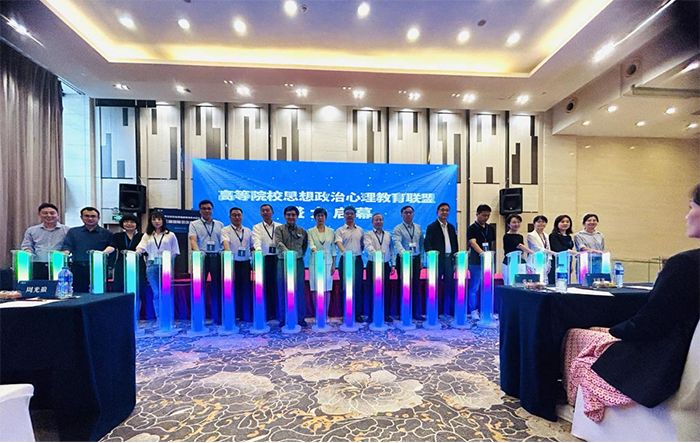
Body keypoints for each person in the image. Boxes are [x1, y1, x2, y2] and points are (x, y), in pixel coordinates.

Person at [562, 183, 700, 424]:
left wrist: (616, 330)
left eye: (691, 207)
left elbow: (649, 324)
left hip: (664, 364)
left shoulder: (685, 265)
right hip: (684, 351)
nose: (686, 216)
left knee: (575, 335)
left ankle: (579, 410)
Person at [135, 211, 180, 322]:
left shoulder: (170, 235)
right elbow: (141, 247)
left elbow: (175, 251)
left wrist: (169, 263)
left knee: (166, 292)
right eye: (154, 219)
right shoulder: (147, 235)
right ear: (150, 221)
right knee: (156, 293)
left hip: (166, 265)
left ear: (163, 221)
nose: (157, 221)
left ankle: (168, 318)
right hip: (151, 264)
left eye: (159, 219)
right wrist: (136, 252)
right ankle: (159, 318)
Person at [189, 200, 224, 323]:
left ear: (212, 210)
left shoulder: (219, 224)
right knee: (198, 288)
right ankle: (198, 317)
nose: (206, 211)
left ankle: (217, 317)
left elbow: (223, 242)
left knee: (217, 288)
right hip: (201, 258)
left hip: (216, 257)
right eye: (203, 208)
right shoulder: (194, 224)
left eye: (209, 208)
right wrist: (198, 254)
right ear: (200, 211)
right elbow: (193, 240)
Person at [61, 207, 112, 292]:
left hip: (98, 268)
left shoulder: (106, 233)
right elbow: (67, 245)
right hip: (78, 267)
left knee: (99, 292)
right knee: (78, 291)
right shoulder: (73, 232)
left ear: (98, 218)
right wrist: (64, 253)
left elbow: (111, 249)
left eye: (93, 216)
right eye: (87, 216)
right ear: (81, 217)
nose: (90, 218)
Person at [274, 206, 308, 327]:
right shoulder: (279, 229)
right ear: (285, 216)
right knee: (282, 288)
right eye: (288, 215)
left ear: (297, 216)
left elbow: (304, 246)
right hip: (283, 261)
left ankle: (300, 318)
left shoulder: (302, 231)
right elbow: (278, 242)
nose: (291, 217)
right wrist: (288, 253)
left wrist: (296, 255)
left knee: (299, 289)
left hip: (298, 262)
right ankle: (284, 318)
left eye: (293, 215)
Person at [424, 202, 459, 317]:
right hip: (437, 260)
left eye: (447, 210)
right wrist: (432, 258)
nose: (445, 212)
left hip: (449, 260)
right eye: (442, 210)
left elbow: (455, 244)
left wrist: (455, 260)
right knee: (435, 286)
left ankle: (450, 310)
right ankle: (435, 310)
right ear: (437, 212)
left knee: (450, 286)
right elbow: (427, 244)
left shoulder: (451, 227)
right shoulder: (432, 227)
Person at [392, 205, 425, 321]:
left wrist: (421, 260)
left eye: (410, 212)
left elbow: (421, 244)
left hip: (416, 259)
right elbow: (397, 243)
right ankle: (402, 312)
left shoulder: (418, 228)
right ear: (401, 215)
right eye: (406, 212)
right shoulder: (398, 229)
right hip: (404, 259)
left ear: (413, 214)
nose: (408, 214)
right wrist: (405, 254)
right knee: (403, 286)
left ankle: (416, 313)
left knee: (416, 286)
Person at [20, 203, 70, 280]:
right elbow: (27, 245)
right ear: (39, 214)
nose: (49, 215)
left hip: (59, 265)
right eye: (45, 213)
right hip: (37, 264)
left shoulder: (67, 230)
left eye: (52, 213)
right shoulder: (31, 230)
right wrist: (28, 252)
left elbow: (70, 246)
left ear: (57, 214)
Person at [221, 207, 254, 322]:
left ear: (242, 217)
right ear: (230, 217)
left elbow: (252, 247)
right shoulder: (226, 230)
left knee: (246, 289)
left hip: (245, 263)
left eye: (239, 215)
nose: (237, 217)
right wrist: (228, 253)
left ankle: (246, 314)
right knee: (233, 289)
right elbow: (225, 243)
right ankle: (233, 314)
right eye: (234, 215)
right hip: (232, 263)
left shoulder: (248, 231)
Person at [252, 204, 282, 321]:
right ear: (260, 213)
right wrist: (259, 251)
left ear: (272, 212)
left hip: (278, 258)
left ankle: (279, 313)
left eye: (267, 210)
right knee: (266, 287)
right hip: (264, 259)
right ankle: (268, 313)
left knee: (278, 286)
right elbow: (257, 241)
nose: (265, 212)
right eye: (263, 211)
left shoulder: (279, 226)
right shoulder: (257, 227)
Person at [335, 205, 365, 323]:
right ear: (344, 215)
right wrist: (346, 253)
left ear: (355, 215)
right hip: (345, 260)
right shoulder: (340, 230)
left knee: (358, 287)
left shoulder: (360, 230)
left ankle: (357, 314)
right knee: (345, 287)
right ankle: (346, 313)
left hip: (357, 260)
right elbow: (338, 242)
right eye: (347, 213)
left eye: (351, 214)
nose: (349, 216)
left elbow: (362, 245)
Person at [466, 204, 496, 320]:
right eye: (483, 215)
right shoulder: (472, 228)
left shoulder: (490, 228)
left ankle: (486, 309)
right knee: (474, 287)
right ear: (477, 214)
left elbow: (492, 243)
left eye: (488, 215)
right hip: (476, 261)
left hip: (488, 261)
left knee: (487, 286)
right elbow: (473, 243)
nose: (486, 218)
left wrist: (490, 257)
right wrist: (482, 254)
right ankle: (473, 310)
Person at [364, 213, 396, 323]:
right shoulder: (368, 234)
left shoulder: (388, 235)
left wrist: (393, 264)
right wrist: (377, 254)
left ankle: (386, 314)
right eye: (376, 220)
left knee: (386, 290)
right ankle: (371, 315)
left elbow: (392, 250)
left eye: (380, 220)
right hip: (373, 264)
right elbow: (368, 247)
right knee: (372, 290)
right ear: (372, 222)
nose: (378, 222)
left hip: (385, 265)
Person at [103, 214, 145, 293]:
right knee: (120, 285)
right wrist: (103, 253)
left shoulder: (142, 236)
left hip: (137, 264)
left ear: (136, 224)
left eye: (132, 222)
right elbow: (112, 246)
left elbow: (144, 249)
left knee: (138, 285)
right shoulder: (117, 236)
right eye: (126, 222)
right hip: (122, 263)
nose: (129, 224)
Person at [307, 207, 336, 315]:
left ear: (325, 217)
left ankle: (325, 313)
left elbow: (333, 249)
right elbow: (311, 244)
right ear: (315, 217)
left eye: (322, 216)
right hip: (315, 262)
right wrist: (316, 251)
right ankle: (317, 314)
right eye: (318, 215)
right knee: (315, 288)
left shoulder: (331, 231)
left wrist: (333, 264)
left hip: (328, 263)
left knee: (327, 288)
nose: (320, 218)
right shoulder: (310, 231)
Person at [502, 214, 534, 285]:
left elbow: (521, 249)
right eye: (514, 222)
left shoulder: (520, 236)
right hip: (510, 261)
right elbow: (519, 246)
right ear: (508, 224)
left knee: (521, 282)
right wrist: (532, 252)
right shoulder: (507, 236)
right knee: (510, 282)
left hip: (520, 261)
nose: (516, 224)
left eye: (518, 222)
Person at [548, 214, 577, 284]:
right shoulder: (553, 235)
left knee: (566, 281)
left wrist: (570, 264)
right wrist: (571, 251)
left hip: (567, 261)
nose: (565, 223)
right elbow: (558, 248)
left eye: (567, 222)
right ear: (557, 223)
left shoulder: (569, 237)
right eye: (562, 222)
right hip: (557, 262)